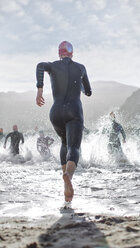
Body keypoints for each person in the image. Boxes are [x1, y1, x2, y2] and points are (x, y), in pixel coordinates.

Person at [36, 41, 92, 203]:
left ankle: (64, 183)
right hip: (74, 111)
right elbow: (88, 92)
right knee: (74, 147)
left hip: (55, 112)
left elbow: (40, 65)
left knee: (64, 143)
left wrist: (40, 90)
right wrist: (81, 85)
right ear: (72, 54)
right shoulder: (80, 68)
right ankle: (68, 176)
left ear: (59, 54)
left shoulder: (52, 66)